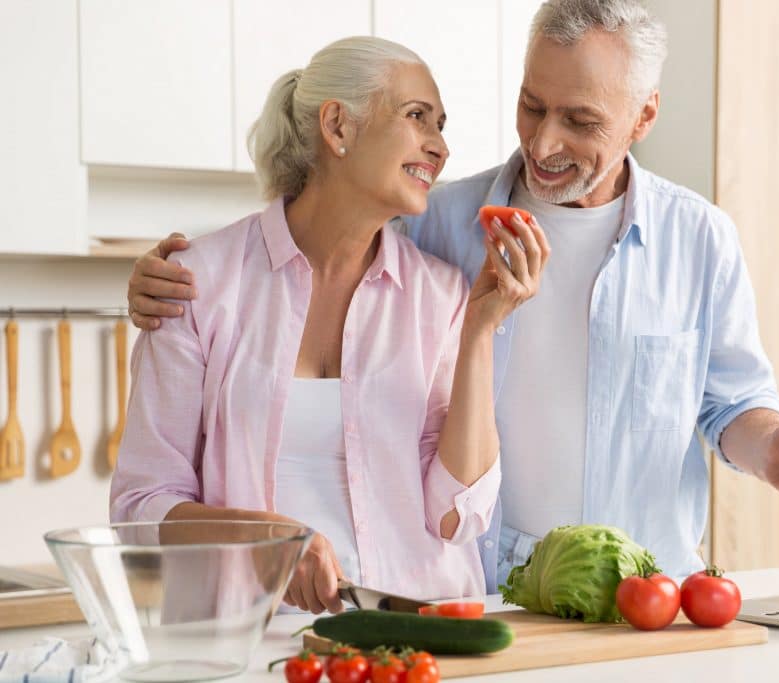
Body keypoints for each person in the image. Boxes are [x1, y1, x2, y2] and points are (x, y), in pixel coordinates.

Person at [123, 0, 779, 593]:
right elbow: (322, 252)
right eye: (531, 105)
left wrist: (774, 451)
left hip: (651, 591)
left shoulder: (699, 238)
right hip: (492, 594)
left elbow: (730, 403)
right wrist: (163, 287)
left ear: (644, 116)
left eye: (581, 121)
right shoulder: (436, 225)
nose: (544, 144)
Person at [109, 36, 550, 613]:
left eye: (441, 126)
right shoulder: (195, 284)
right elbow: (141, 509)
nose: (439, 146)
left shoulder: (440, 294)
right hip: (250, 642)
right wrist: (267, 539)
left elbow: (456, 516)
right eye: (418, 117)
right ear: (338, 126)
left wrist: (478, 331)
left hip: (414, 638)